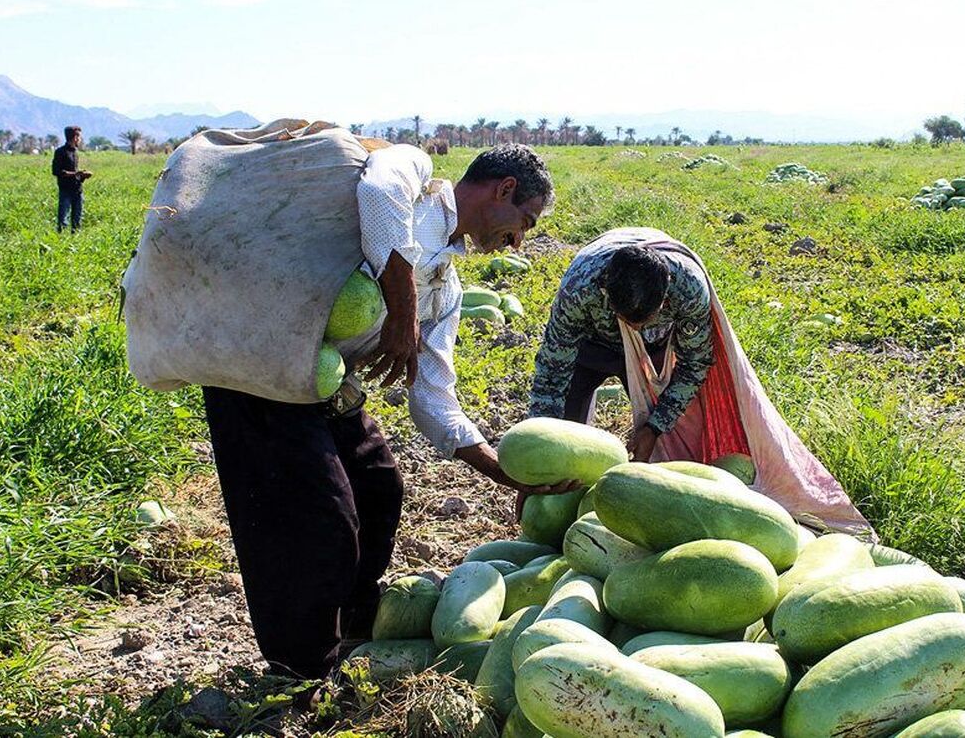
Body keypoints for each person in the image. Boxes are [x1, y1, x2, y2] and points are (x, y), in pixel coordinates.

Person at [201, 143, 576, 688]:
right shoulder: (412, 174)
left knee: (379, 487)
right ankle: (301, 673)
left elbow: (431, 397)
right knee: (319, 516)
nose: (519, 240)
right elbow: (376, 194)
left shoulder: (445, 288)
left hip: (323, 378)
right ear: (505, 190)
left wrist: (499, 469)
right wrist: (401, 309)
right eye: (525, 222)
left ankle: (350, 627)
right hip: (261, 360)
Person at [529, 230, 715, 462]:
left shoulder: (689, 290)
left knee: (672, 444)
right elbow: (552, 372)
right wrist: (540, 444)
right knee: (563, 433)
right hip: (593, 344)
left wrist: (655, 427)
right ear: (606, 292)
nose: (634, 330)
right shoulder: (580, 288)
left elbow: (694, 365)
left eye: (645, 320)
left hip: (652, 349)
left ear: (665, 300)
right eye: (627, 320)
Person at [51, 126, 91, 232]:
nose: (80, 139)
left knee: (77, 222)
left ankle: (74, 243)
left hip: (77, 190)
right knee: (63, 221)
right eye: (79, 137)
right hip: (65, 191)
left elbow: (74, 173)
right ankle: (60, 242)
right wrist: (77, 173)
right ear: (75, 138)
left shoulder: (75, 153)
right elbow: (56, 171)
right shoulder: (60, 152)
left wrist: (82, 176)